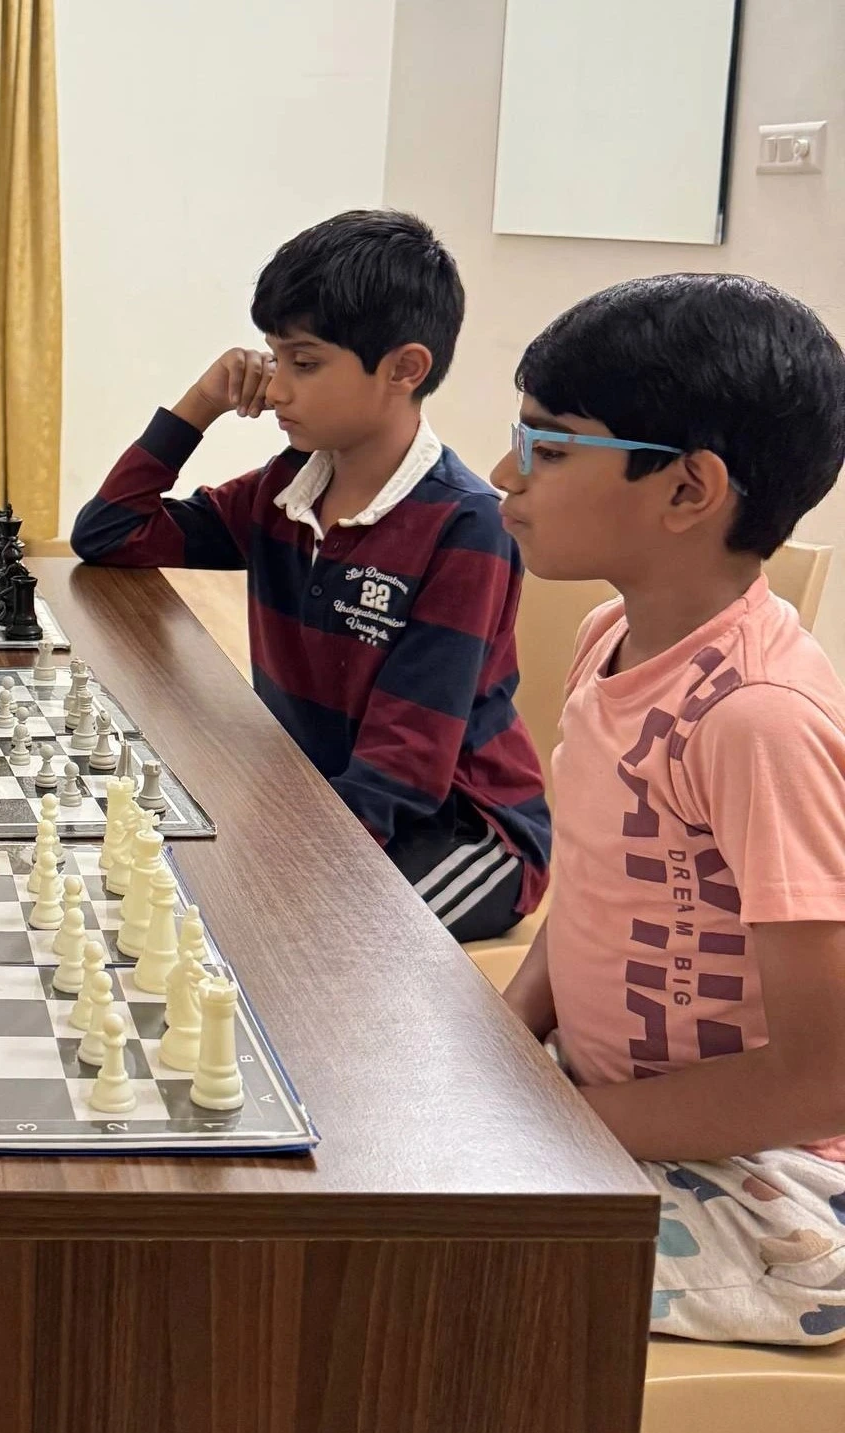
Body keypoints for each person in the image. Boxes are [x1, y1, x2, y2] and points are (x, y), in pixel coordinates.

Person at [494, 274, 845, 1345]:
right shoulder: (609, 640)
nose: (507, 476)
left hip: (770, 1186)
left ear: (689, 489)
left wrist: (564, 1126)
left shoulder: (756, 719)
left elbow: (822, 1076)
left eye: (551, 449)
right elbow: (600, 882)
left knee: (442, 1272)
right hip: (622, 1112)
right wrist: (503, 1046)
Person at [70, 210, 549, 941]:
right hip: (324, 800)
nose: (276, 388)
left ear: (405, 369)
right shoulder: (287, 488)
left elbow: (405, 771)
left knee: (297, 943)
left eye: (305, 362)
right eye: (271, 358)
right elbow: (111, 533)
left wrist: (266, 862)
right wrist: (198, 404)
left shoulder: (464, 526)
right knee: (194, 903)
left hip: (459, 830)